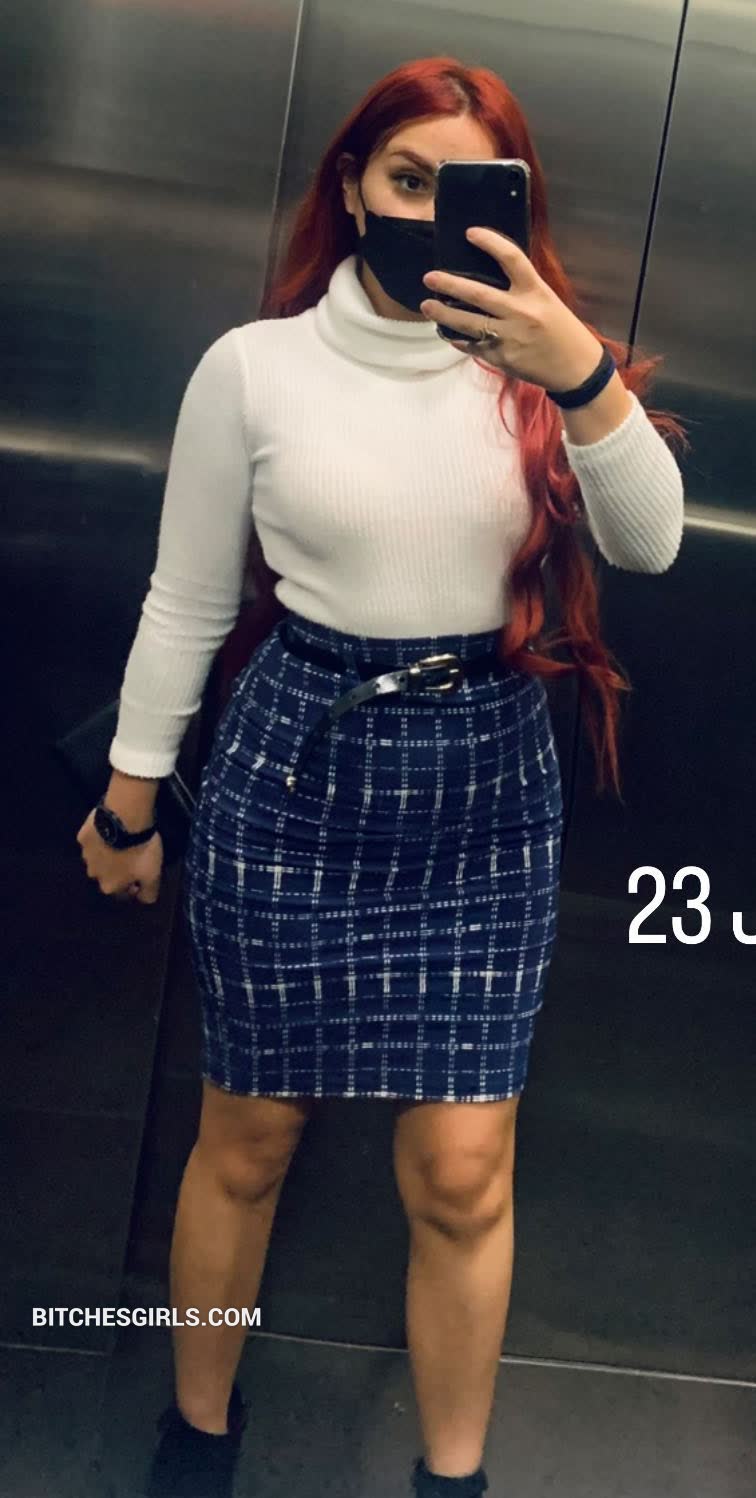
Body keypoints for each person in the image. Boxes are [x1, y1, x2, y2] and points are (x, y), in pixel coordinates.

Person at [76, 54, 687, 1498]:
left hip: (485, 787)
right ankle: (196, 1437)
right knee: (248, 1134)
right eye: (406, 177)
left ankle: (449, 1479)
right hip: (296, 766)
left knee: (465, 1171)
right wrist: (129, 800)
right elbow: (187, 598)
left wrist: (579, 371)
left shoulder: (541, 366)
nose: (428, 211)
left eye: (465, 185)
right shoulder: (255, 368)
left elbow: (653, 543)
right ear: (352, 186)